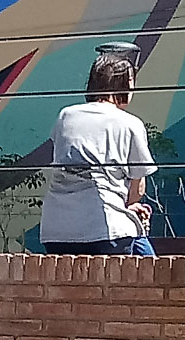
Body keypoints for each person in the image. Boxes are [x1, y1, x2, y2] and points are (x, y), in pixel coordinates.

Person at [40, 54, 156, 254]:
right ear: (124, 85)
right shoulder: (130, 124)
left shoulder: (65, 116)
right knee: (150, 267)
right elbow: (137, 189)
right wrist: (127, 207)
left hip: (56, 230)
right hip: (105, 230)